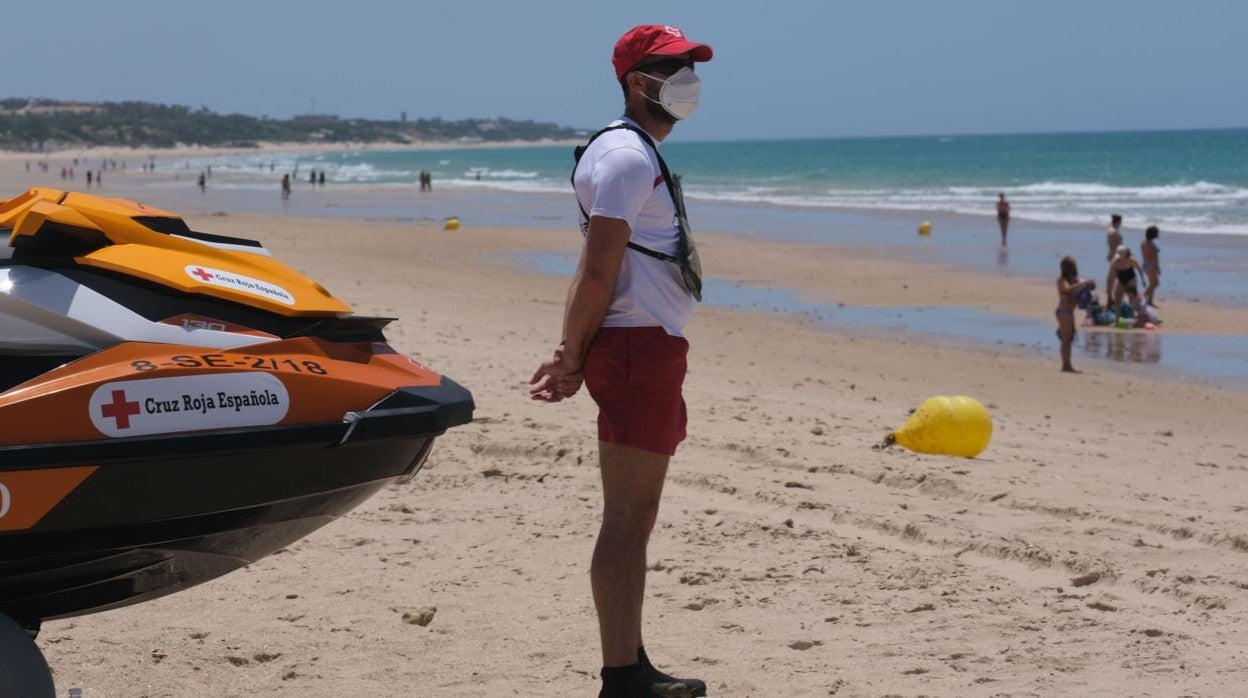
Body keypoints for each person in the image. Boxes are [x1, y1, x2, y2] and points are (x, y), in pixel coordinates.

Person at [528, 23, 712, 698]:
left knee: (633, 518)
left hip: (640, 347)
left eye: (691, 67)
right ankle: (623, 677)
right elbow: (599, 270)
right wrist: (570, 354)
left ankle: (631, 664)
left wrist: (571, 350)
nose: (690, 80)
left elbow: (591, 265)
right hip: (637, 349)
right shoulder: (628, 159)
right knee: (628, 520)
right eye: (676, 68)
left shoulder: (624, 153)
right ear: (639, 82)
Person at [1056, 256, 1095, 372]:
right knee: (1066, 340)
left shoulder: (1073, 280)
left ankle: (1067, 364)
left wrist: (1088, 283)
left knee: (1069, 339)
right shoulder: (1061, 280)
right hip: (1063, 311)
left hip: (1069, 312)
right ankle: (1066, 365)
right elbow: (1067, 289)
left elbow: (1083, 284)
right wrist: (1082, 283)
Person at [1108, 244, 1148, 327]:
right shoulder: (1115, 261)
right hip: (1121, 279)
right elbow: (1111, 276)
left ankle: (1134, 319)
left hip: (1131, 278)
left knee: (1132, 300)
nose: (1118, 256)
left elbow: (1140, 269)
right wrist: (1109, 289)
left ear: (1125, 255)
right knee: (1117, 300)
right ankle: (1117, 320)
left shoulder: (1131, 259)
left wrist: (1143, 280)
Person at [1103, 213, 1123, 304]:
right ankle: (1111, 297)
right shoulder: (1113, 231)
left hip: (1114, 254)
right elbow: (1114, 244)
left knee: (1114, 276)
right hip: (1115, 255)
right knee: (1114, 277)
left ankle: (1111, 296)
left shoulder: (1111, 229)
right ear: (1118, 222)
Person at [1141, 225, 1160, 307]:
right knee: (1155, 283)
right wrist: (1157, 267)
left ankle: (1149, 300)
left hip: (1145, 263)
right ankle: (1144, 297)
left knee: (1152, 283)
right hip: (1151, 264)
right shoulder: (1151, 245)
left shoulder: (1143, 243)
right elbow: (1154, 257)